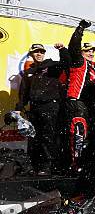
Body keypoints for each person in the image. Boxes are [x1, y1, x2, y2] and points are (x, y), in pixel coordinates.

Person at [15, 43, 69, 175]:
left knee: (48, 137)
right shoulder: (29, 73)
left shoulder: (52, 67)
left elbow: (67, 63)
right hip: (34, 108)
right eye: (36, 52)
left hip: (50, 107)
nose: (39, 54)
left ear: (44, 53)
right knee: (34, 137)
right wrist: (19, 108)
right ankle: (34, 166)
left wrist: (62, 50)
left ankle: (47, 166)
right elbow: (24, 93)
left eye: (41, 51)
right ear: (31, 54)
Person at [64, 19, 95, 171]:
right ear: (82, 53)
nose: (91, 53)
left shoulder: (92, 67)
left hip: (85, 105)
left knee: (84, 135)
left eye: (93, 51)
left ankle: (81, 163)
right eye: (88, 50)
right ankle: (74, 164)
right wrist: (80, 29)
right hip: (75, 102)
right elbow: (73, 47)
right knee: (77, 133)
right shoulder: (79, 61)